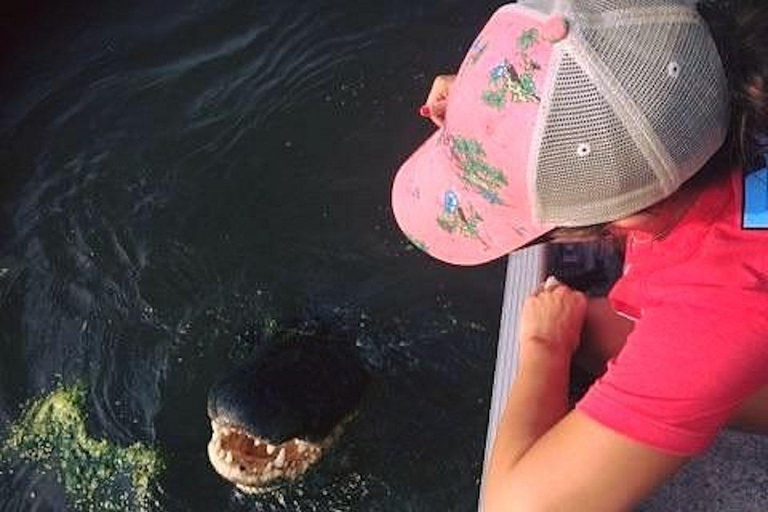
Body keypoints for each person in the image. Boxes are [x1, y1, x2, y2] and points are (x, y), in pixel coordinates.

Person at [390, 1, 768, 511]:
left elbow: (515, 506)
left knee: (580, 334)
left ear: (623, 219)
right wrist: (497, 113)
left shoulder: (716, 301)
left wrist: (546, 345)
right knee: (591, 331)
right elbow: (614, 77)